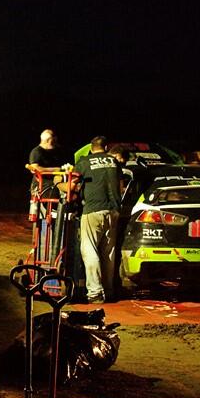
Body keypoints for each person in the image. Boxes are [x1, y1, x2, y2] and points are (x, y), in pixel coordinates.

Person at [73, 136, 122, 303]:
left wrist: (58, 182)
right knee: (109, 252)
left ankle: (95, 292)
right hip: (113, 211)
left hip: (93, 210)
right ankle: (109, 291)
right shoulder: (114, 162)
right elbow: (120, 187)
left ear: (91, 148)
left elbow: (73, 184)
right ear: (106, 147)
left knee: (90, 250)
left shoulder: (84, 162)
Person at [26, 129, 67, 197]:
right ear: (48, 140)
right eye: (53, 139)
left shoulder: (57, 151)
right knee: (59, 194)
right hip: (43, 185)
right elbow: (35, 168)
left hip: (57, 182)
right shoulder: (36, 152)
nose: (55, 141)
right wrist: (56, 170)